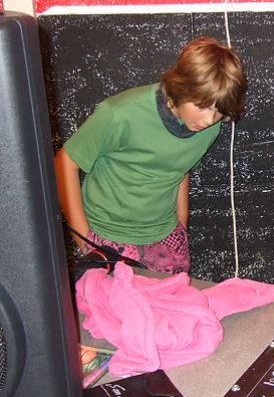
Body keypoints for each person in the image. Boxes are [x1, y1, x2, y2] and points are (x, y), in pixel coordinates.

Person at [55, 37, 247, 274]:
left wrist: (181, 225)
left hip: (165, 238)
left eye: (218, 110)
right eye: (202, 105)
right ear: (182, 87)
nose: (209, 119)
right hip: (107, 234)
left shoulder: (210, 128)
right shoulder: (119, 114)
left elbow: (181, 168)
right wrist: (84, 239)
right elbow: (64, 162)